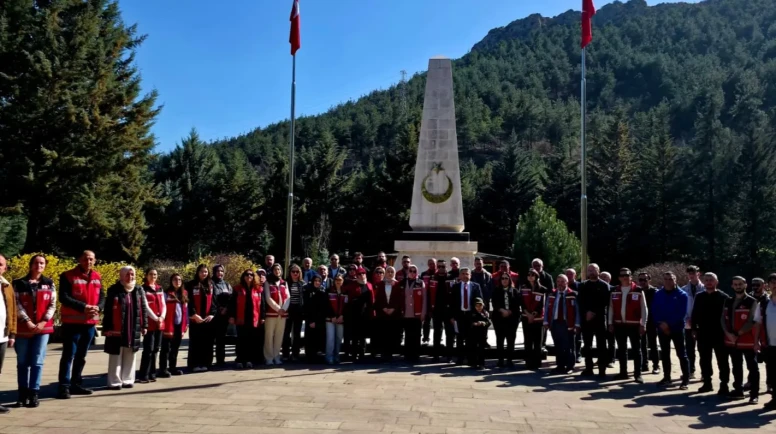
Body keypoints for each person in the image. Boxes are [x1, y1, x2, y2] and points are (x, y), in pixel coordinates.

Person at [58, 250, 104, 399]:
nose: (88, 262)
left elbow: (102, 296)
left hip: (90, 322)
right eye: (85, 259)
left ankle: (76, 384)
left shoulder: (97, 276)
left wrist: (100, 307)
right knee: (68, 355)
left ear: (95, 260)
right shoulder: (68, 275)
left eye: (91, 259)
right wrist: (84, 307)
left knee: (81, 356)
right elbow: (64, 297)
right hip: (72, 322)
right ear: (79, 259)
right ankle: (63, 387)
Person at [13, 254, 54, 408]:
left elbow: (53, 304)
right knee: (22, 362)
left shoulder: (49, 283)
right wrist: (27, 321)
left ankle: (34, 393)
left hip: (43, 329)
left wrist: (44, 321)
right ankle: (22, 395)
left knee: (37, 361)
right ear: (30, 265)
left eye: (42, 263)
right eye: (36, 263)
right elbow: (16, 304)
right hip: (24, 328)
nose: (39, 266)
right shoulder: (19, 283)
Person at [103, 266, 148, 390]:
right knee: (115, 355)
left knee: (130, 353)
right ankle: (114, 381)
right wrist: (106, 327)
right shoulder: (113, 289)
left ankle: (128, 380)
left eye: (132, 274)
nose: (130, 277)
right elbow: (108, 310)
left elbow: (143, 308)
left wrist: (145, 325)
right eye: (127, 274)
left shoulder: (139, 289)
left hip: (133, 327)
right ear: (121, 276)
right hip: (116, 327)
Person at [722, 276, 760, 403]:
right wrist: (728, 333)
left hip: (747, 340)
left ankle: (754, 394)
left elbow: (752, 320)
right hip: (732, 341)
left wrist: (738, 333)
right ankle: (738, 390)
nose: (738, 286)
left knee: (752, 367)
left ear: (745, 285)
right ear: (732, 286)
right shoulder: (728, 300)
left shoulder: (752, 301)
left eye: (740, 284)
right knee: (736, 366)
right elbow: (723, 319)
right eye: (735, 284)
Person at [691, 272, 730, 394]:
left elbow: (728, 317)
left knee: (722, 360)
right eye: (706, 280)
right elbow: (694, 314)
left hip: (719, 334)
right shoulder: (699, 296)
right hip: (703, 333)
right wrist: (693, 329)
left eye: (711, 280)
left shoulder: (724, 297)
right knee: (704, 360)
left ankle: (724, 385)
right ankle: (707, 383)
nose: (709, 282)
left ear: (716, 282)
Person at [653, 271, 690, 390]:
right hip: (662, 329)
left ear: (675, 280)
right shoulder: (658, 294)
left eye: (671, 279)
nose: (668, 281)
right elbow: (654, 310)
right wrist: (661, 323)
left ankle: (685, 380)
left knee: (681, 354)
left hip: (677, 329)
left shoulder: (682, 294)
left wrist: (669, 325)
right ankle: (666, 377)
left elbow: (681, 313)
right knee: (665, 354)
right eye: (666, 279)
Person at [608, 268, 646, 383]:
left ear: (631, 277)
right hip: (619, 324)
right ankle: (623, 372)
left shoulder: (638, 290)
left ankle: (637, 374)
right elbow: (611, 308)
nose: (625, 277)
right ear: (619, 278)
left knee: (636, 350)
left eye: (627, 275)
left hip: (634, 325)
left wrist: (643, 324)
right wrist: (610, 323)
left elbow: (644, 308)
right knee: (622, 349)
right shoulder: (614, 290)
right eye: (622, 275)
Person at [578, 263, 610, 378]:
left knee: (602, 345)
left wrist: (593, 312)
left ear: (598, 271)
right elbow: (580, 302)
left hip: (600, 319)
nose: (591, 272)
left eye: (593, 270)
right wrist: (586, 312)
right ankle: (588, 368)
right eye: (589, 270)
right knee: (587, 345)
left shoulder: (604, 285)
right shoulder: (582, 286)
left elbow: (605, 302)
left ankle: (602, 370)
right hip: (586, 320)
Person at [543, 275, 580, 374]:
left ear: (567, 282)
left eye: (562, 281)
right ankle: (560, 366)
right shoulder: (552, 294)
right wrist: (546, 321)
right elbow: (546, 308)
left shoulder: (573, 294)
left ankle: (569, 366)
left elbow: (577, 311)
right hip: (555, 324)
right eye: (558, 281)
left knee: (569, 346)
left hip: (568, 324)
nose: (560, 283)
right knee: (558, 346)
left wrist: (577, 324)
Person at [228, 269, 264, 369]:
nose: (249, 276)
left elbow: (263, 305)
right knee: (241, 340)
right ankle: (240, 359)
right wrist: (231, 316)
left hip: (253, 318)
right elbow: (232, 304)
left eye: (251, 275)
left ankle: (249, 360)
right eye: (247, 275)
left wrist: (262, 317)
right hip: (241, 318)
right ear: (243, 277)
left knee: (251, 340)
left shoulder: (258, 289)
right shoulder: (237, 289)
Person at [449, 268, 483, 365]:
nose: (465, 275)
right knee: (459, 337)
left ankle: (471, 359)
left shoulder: (476, 286)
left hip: (470, 315)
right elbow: (452, 303)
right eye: (463, 274)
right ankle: (460, 359)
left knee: (471, 338)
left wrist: (478, 315)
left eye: (467, 274)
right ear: (459, 276)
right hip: (459, 315)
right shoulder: (455, 287)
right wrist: (452, 316)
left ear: (470, 275)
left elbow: (479, 300)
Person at [186, 264, 217, 372]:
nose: (204, 274)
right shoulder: (191, 284)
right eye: (201, 272)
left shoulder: (211, 284)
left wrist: (212, 314)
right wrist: (194, 314)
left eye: (205, 272)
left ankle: (206, 363)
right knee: (195, 342)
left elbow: (214, 301)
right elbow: (188, 301)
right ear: (197, 272)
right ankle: (194, 364)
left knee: (207, 343)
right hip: (196, 319)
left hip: (208, 319)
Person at [138, 268, 165, 383]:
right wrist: (155, 318)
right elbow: (145, 306)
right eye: (151, 274)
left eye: (155, 274)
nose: (153, 276)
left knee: (156, 349)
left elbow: (164, 304)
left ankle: (152, 373)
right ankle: (144, 374)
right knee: (148, 349)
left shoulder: (159, 288)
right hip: (149, 322)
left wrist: (162, 317)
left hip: (160, 322)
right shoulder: (143, 289)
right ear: (146, 275)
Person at [158, 274, 188, 377]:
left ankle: (173, 367)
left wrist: (185, 325)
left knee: (175, 348)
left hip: (179, 325)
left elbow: (185, 311)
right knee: (166, 348)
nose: (177, 281)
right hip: (168, 324)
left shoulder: (184, 294)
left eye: (179, 279)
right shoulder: (166, 293)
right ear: (171, 281)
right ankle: (163, 369)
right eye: (175, 279)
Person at [491, 270, 520, 368]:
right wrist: (502, 310)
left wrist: (510, 312)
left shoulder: (515, 291)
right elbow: (494, 303)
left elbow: (517, 304)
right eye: (502, 278)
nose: (504, 280)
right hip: (499, 319)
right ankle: (500, 360)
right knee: (500, 340)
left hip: (512, 319)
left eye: (506, 278)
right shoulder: (496, 290)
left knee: (510, 340)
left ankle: (509, 360)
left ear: (509, 279)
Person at [399, 265, 426, 362]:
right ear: (407, 272)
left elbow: (424, 299)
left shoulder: (420, 282)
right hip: (406, 313)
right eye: (411, 271)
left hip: (417, 313)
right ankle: (407, 355)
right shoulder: (402, 282)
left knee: (416, 335)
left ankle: (415, 355)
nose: (412, 273)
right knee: (408, 335)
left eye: (414, 271)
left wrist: (423, 313)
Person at [0, 253, 17, 413]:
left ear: (5, 268)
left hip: (2, 335)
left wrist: (12, 333)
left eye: (0, 264)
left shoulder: (7, 285)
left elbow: (12, 311)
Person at [264, 264, 289, 365]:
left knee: (279, 336)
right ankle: (269, 357)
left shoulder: (284, 282)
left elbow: (288, 297)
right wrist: (278, 308)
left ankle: (276, 356)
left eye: (279, 269)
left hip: (282, 314)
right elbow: (268, 297)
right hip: (271, 313)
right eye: (275, 269)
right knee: (269, 336)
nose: (277, 271)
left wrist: (283, 309)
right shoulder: (268, 282)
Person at [520, 269, 546, 370]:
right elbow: (521, 303)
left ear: (536, 277)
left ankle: (537, 362)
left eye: (533, 275)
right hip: (526, 318)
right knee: (528, 340)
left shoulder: (542, 289)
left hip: (538, 318)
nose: (530, 276)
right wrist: (528, 314)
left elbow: (542, 304)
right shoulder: (523, 288)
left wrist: (534, 315)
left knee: (537, 341)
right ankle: (528, 362)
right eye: (529, 275)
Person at [682, 265, 704, 379]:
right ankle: (691, 371)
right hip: (688, 324)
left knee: (703, 349)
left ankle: (705, 373)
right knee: (690, 348)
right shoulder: (684, 289)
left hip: (702, 325)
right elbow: (682, 307)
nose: (691, 275)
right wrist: (687, 319)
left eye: (693, 273)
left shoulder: (705, 288)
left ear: (698, 274)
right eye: (689, 273)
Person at [347, 268, 374, 362]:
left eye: (363, 274)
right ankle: (354, 355)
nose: (361, 276)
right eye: (359, 274)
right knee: (355, 336)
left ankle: (362, 355)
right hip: (355, 314)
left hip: (365, 314)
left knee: (363, 337)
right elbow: (349, 299)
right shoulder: (352, 285)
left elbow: (372, 299)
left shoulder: (369, 285)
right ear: (356, 275)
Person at [430, 260, 454, 363]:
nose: (441, 268)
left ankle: (449, 356)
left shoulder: (450, 278)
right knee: (437, 332)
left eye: (443, 266)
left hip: (448, 310)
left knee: (449, 333)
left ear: (446, 267)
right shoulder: (432, 278)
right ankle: (436, 355)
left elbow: (454, 296)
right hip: (436, 310)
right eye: (439, 266)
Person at [373, 266, 398, 361]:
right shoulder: (380, 284)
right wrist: (383, 307)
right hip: (382, 313)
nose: (390, 273)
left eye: (392, 272)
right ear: (385, 273)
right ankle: (383, 354)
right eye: (388, 271)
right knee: (383, 334)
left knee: (391, 334)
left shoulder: (397, 284)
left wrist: (393, 308)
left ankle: (390, 354)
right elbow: (378, 298)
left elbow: (399, 298)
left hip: (393, 313)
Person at [637, 272, 660, 375]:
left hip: (651, 321)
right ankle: (644, 364)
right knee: (641, 344)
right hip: (640, 321)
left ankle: (656, 365)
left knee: (653, 344)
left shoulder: (655, 292)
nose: (642, 282)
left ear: (649, 280)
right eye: (640, 280)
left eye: (644, 280)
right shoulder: (637, 291)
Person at [758, 285, 776, 409]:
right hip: (769, 344)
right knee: (773, 373)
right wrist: (756, 342)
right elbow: (758, 323)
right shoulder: (764, 304)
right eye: (773, 284)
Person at [283, 264, 306, 361]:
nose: (295, 273)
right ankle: (285, 354)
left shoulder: (303, 283)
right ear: (290, 272)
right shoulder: (285, 283)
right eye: (293, 271)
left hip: (299, 311)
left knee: (296, 334)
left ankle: (295, 354)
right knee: (286, 333)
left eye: (297, 272)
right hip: (288, 310)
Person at [211, 264, 233, 368]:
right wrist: (218, 308)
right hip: (213, 315)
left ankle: (220, 360)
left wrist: (226, 309)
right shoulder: (210, 283)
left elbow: (231, 298)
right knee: (210, 339)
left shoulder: (227, 284)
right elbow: (211, 299)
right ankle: (207, 360)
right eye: (218, 271)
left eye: (222, 271)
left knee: (221, 339)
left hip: (224, 315)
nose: (220, 273)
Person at [303, 274, 328, 362]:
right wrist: (311, 320)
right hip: (310, 319)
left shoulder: (323, 291)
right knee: (310, 339)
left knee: (319, 338)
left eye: (319, 281)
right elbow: (306, 307)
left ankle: (318, 357)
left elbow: (323, 307)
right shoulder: (308, 291)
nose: (317, 283)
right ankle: (309, 357)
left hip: (320, 320)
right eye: (315, 281)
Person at [325, 275, 348, 364]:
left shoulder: (345, 292)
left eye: (340, 280)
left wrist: (342, 316)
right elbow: (326, 305)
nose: (338, 281)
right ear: (334, 281)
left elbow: (347, 306)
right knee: (330, 338)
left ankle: (337, 356)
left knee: (339, 338)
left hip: (341, 319)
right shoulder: (329, 291)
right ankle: (329, 357)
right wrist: (332, 316)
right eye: (337, 280)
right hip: (330, 319)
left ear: (343, 281)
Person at [468, 298, 491, 370]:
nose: (478, 308)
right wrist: (473, 324)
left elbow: (489, 322)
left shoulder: (484, 313)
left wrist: (483, 323)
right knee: (473, 349)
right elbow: (468, 322)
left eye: (480, 306)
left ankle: (481, 364)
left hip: (482, 334)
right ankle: (473, 363)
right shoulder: (471, 313)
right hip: (473, 334)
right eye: (477, 306)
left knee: (481, 349)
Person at [420, 258, 437, 345]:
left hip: (436, 301)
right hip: (426, 300)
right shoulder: (424, 274)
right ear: (428, 264)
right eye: (430, 264)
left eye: (433, 263)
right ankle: (425, 338)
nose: (432, 265)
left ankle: (437, 339)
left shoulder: (438, 274)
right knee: (426, 321)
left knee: (437, 322)